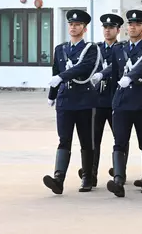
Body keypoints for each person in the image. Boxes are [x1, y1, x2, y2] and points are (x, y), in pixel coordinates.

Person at [44, 10, 101, 194]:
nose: (73, 27)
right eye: (71, 24)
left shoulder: (90, 49)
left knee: (86, 140)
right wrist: (52, 95)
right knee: (64, 140)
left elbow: (84, 68)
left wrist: (61, 77)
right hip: (65, 101)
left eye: (77, 25)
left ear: (84, 28)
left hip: (84, 100)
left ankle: (87, 177)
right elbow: (55, 71)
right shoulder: (60, 49)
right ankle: (58, 178)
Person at [106, 10, 142, 197]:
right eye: (130, 24)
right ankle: (119, 179)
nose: (132, 27)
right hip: (122, 103)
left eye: (137, 24)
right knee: (119, 142)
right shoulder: (119, 48)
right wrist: (114, 100)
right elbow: (114, 76)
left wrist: (129, 78)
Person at [79, 13, 124, 188]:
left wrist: (103, 74)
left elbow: (117, 66)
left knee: (119, 139)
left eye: (111, 27)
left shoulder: (122, 48)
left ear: (118, 30)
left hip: (115, 100)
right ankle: (89, 176)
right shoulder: (95, 49)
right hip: (96, 101)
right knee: (92, 140)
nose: (107, 30)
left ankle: (119, 173)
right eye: (105, 27)